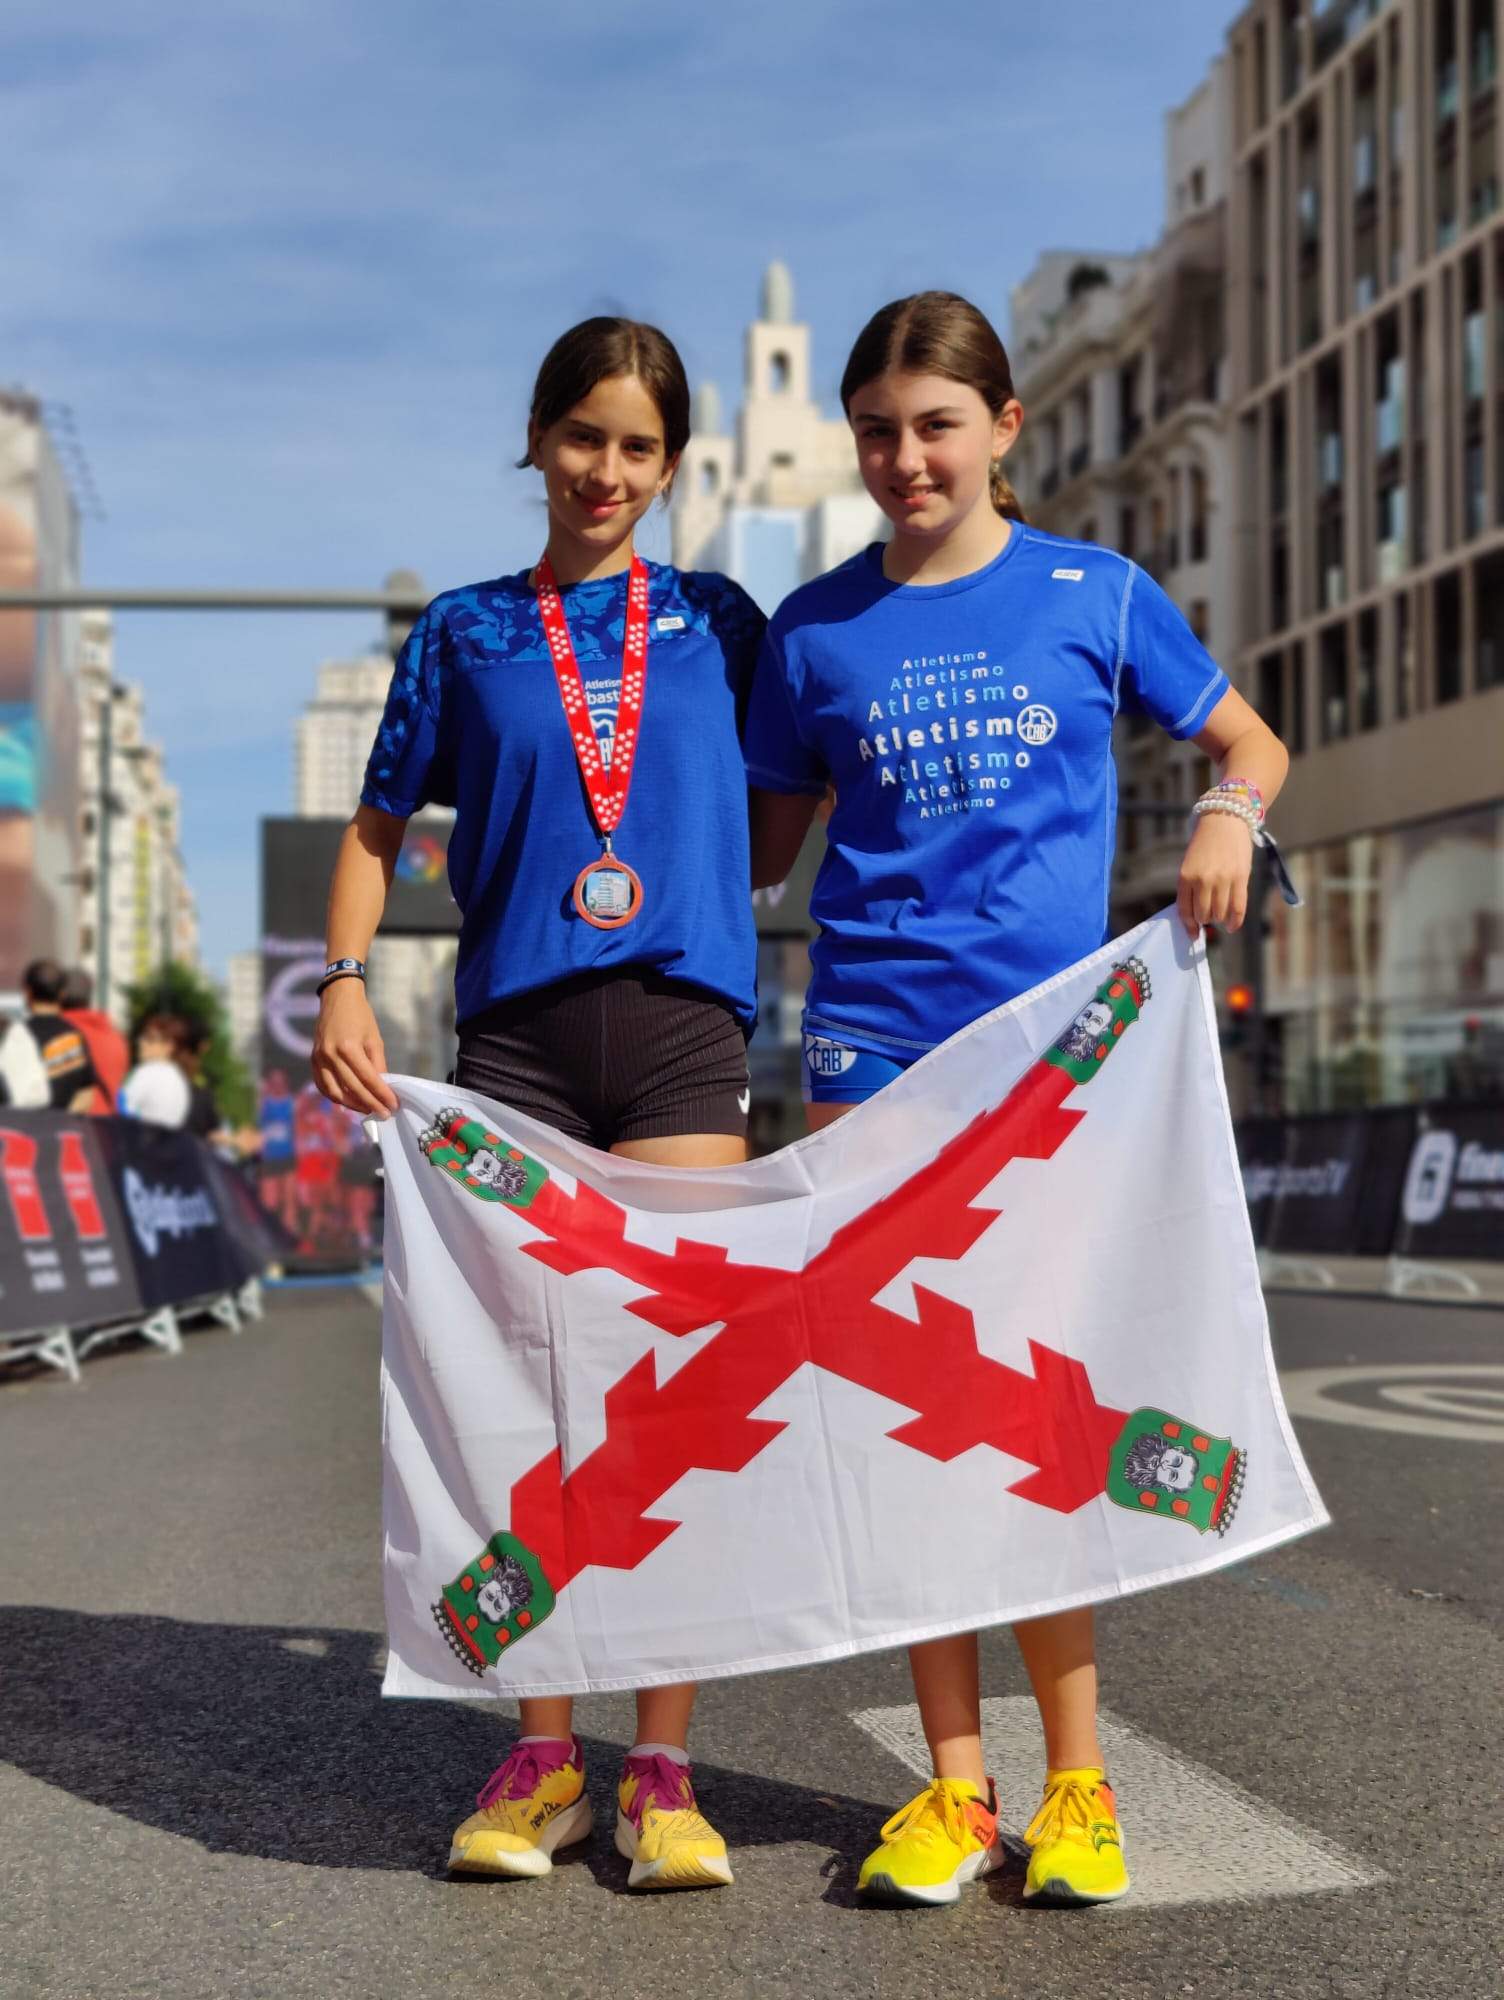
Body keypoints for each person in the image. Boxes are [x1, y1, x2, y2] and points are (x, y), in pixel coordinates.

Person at [745, 291, 1290, 1910]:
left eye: (932, 424)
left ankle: (1075, 1784)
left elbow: (1248, 739)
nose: (902, 457)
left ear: (1000, 431)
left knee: (1032, 1418)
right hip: (863, 1055)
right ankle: (951, 1791)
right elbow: (759, 851)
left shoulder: (1091, 591)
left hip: (1051, 1061)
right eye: (874, 430)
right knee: (907, 1411)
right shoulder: (811, 630)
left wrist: (1219, 816)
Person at [311, 316, 766, 1892]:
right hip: (514, 1044)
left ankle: (663, 1767)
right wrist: (345, 978)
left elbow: (785, 809)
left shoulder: (721, 621)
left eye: (641, 446)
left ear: (673, 461)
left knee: (671, 1401)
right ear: (538, 438)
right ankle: (539, 1753)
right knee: (528, 1405)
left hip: (685, 1034)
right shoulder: (460, 632)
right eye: (585, 437)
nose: (609, 472)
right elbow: (376, 830)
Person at [15, 958, 100, 1111]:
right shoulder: (74, 1038)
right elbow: (86, 1095)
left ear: (28, 992)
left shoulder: (14, 1038)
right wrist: (61, 1118)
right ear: (62, 994)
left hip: (20, 1130)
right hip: (61, 1131)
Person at [60, 968, 131, 1116]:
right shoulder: (115, 1037)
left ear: (60, 994)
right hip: (105, 1130)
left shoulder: (57, 1035)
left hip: (67, 1131)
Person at [119, 1014, 193, 1128]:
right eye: (142, 1037)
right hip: (168, 1143)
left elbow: (121, 1110)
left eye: (150, 1039)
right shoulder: (179, 1078)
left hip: (140, 1142)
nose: (141, 1042)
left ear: (169, 1046)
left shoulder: (146, 1072)